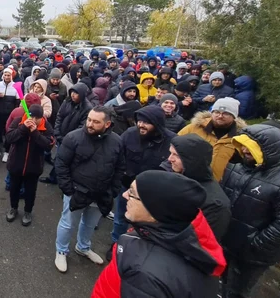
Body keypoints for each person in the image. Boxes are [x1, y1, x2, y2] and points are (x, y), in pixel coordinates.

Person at [91, 170, 226, 298]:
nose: (125, 195)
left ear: (154, 210)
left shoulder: (144, 273)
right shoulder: (190, 243)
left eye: (132, 193)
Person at [220, 124, 280, 298]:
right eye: (243, 145)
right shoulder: (237, 167)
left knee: (239, 291)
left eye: (251, 147)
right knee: (219, 284)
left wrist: (254, 244)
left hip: (252, 255)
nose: (244, 150)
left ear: (268, 149)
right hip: (225, 243)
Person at [54, 107, 124, 273]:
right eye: (89, 119)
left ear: (107, 124)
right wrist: (68, 190)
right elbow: (61, 164)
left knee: (90, 224)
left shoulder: (117, 141)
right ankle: (61, 250)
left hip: (101, 194)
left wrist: (113, 189)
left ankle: (83, 247)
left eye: (96, 121)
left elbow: (120, 167)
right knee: (68, 223)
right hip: (77, 192)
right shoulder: (73, 137)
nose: (90, 124)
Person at [110, 105, 177, 257]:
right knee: (121, 218)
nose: (141, 125)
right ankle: (116, 244)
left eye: (146, 122)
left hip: (152, 195)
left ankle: (135, 251)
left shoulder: (172, 141)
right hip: (126, 187)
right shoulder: (130, 134)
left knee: (144, 225)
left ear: (158, 123)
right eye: (139, 121)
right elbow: (117, 155)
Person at [165, 133, 232, 239]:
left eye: (176, 155)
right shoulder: (175, 178)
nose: (169, 159)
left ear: (192, 160)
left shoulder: (215, 204)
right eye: (170, 153)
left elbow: (203, 242)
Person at [5, 104, 55, 226]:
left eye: (37, 118)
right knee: (14, 189)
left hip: (34, 166)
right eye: (31, 117)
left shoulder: (46, 126)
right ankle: (13, 208)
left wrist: (35, 133)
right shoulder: (18, 121)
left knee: (30, 191)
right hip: (16, 163)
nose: (33, 120)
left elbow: (49, 145)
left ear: (41, 118)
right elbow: (9, 138)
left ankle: (28, 211)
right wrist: (23, 129)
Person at [179, 98, 246, 181]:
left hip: (221, 186)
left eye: (226, 113)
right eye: (217, 112)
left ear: (234, 116)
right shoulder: (193, 128)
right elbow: (174, 147)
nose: (220, 116)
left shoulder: (241, 138)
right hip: (189, 181)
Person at [41, 82, 92, 184]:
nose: (73, 95)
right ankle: (55, 178)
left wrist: (69, 138)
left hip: (72, 140)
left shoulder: (87, 108)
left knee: (63, 159)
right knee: (60, 158)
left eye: (76, 93)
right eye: (72, 92)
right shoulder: (67, 101)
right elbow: (59, 116)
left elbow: (82, 126)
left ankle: (59, 179)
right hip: (61, 136)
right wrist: (57, 132)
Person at [0, 69, 19, 162]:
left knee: (8, 133)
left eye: (9, 75)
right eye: (5, 75)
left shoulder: (16, 86)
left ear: (12, 76)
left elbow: (19, 101)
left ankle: (7, 152)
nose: (7, 77)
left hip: (10, 115)